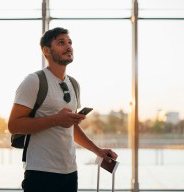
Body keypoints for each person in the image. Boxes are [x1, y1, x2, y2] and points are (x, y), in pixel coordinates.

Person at [8, 27, 118, 192]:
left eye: (70, 43)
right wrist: (56, 119)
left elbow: (71, 128)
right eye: (61, 43)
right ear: (46, 51)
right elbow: (14, 125)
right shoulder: (34, 81)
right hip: (40, 172)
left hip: (70, 172)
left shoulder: (74, 84)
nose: (68, 47)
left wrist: (98, 151)